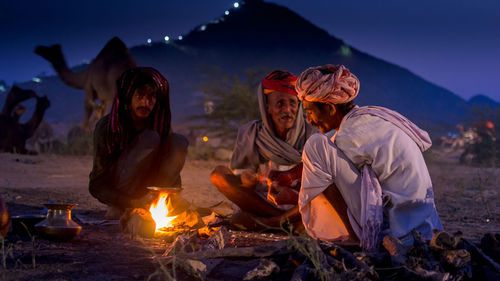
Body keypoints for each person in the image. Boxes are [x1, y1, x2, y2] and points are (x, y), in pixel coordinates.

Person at [295, 64, 442, 250]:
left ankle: (355, 239)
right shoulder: (370, 119)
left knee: (315, 145)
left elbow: (325, 167)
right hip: (426, 227)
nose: (308, 120)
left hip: (399, 233)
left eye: (309, 112)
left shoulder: (349, 134)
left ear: (330, 108)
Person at [210, 70, 317, 230]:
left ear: (299, 105)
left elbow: (319, 185)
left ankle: (272, 223)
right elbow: (242, 173)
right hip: (262, 202)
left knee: (322, 196)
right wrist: (246, 177)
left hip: (299, 206)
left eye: (292, 103)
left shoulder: (313, 134)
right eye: (279, 104)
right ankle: (283, 222)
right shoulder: (251, 132)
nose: (287, 110)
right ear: (267, 107)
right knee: (219, 175)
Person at [89, 67, 188, 219]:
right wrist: (129, 202)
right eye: (140, 96)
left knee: (178, 141)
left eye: (151, 97)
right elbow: (96, 185)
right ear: (129, 97)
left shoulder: (159, 125)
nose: (146, 103)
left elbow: (171, 167)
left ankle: (156, 202)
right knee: (150, 138)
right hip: (123, 192)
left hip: (151, 191)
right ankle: (125, 208)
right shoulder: (107, 127)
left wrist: (172, 196)